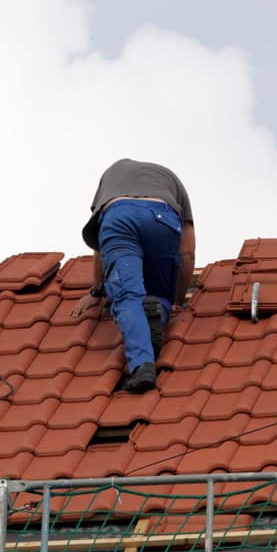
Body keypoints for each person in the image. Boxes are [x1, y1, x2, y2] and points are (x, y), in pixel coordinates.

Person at [73, 158, 196, 393]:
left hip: (119, 218)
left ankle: (142, 366)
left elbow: (101, 246)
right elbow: (187, 252)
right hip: (162, 218)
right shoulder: (174, 182)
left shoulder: (111, 174)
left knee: (128, 294)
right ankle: (154, 321)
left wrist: (97, 289)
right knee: (159, 295)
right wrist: (177, 299)